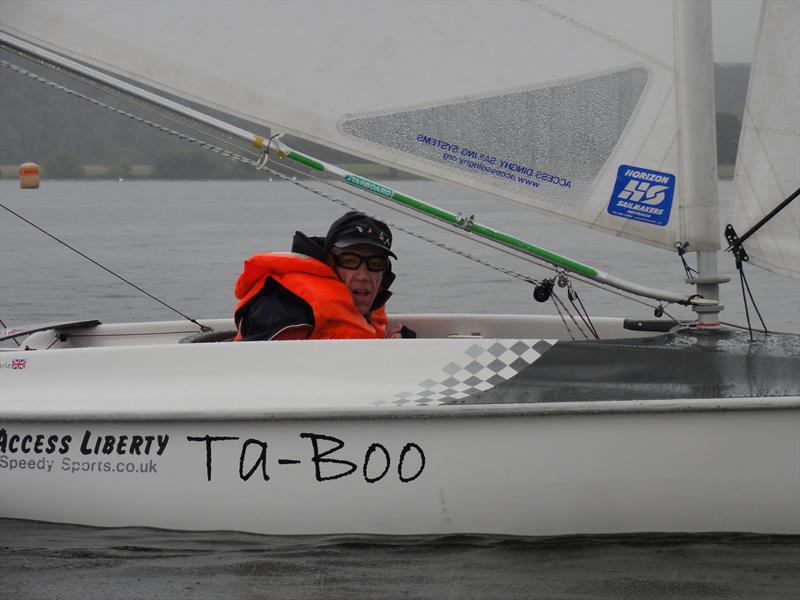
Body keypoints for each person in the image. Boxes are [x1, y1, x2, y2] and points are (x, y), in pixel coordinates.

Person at [233, 211, 414, 341]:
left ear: (384, 273)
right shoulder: (288, 303)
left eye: (375, 264)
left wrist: (398, 348)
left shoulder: (368, 311)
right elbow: (259, 371)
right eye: (350, 261)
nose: (363, 275)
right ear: (330, 262)